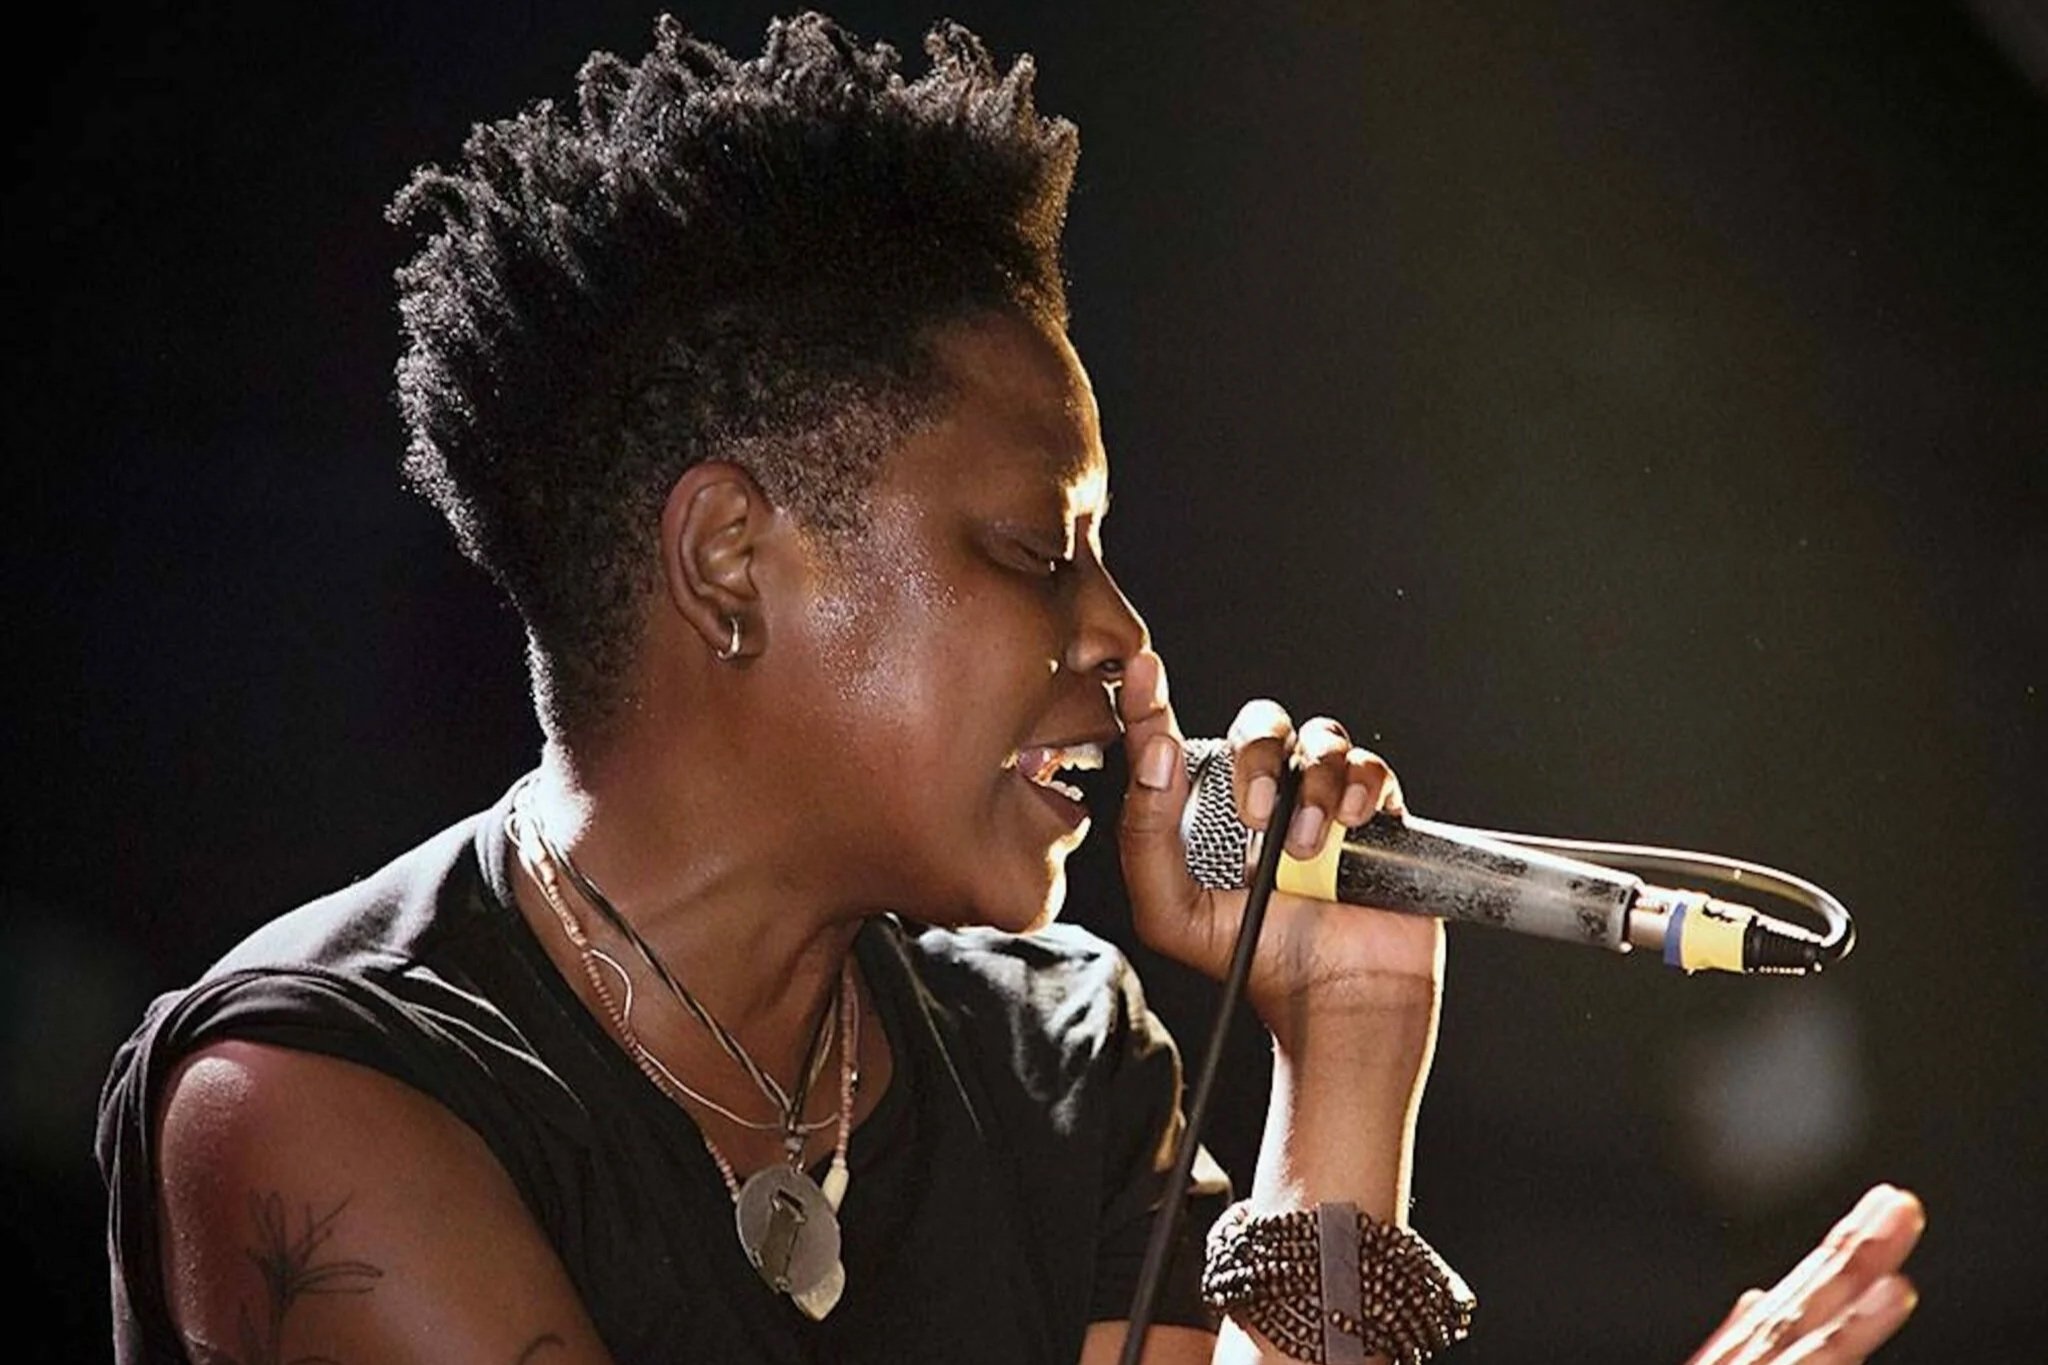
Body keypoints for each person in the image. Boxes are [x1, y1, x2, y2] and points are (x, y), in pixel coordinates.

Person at [96, 12, 1925, 1365]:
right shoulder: (317, 1098)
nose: (1125, 640)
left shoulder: (1053, 1057)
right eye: (1037, 548)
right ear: (731, 561)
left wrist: (1347, 1040)